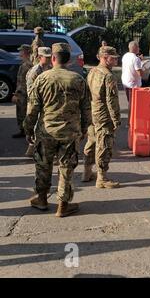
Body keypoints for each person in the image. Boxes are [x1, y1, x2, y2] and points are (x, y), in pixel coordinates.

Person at [23, 43, 91, 218]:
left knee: (43, 166)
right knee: (66, 168)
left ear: (53, 58)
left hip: (46, 131)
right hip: (70, 133)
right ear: (69, 60)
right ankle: (63, 204)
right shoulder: (78, 79)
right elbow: (86, 109)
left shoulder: (42, 79)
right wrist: (84, 129)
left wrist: (28, 128)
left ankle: (42, 199)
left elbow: (33, 108)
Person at [82, 46, 121, 189]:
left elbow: (87, 94)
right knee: (104, 145)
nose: (116, 59)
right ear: (104, 58)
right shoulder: (108, 75)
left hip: (93, 112)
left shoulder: (92, 71)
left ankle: (86, 172)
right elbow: (112, 100)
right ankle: (102, 178)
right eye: (113, 57)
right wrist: (116, 120)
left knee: (92, 142)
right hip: (104, 115)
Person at [23, 47, 52, 157]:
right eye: (46, 57)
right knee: (35, 127)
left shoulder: (49, 68)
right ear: (40, 57)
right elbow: (31, 91)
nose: (49, 59)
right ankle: (34, 150)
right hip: (35, 103)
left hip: (45, 103)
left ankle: (33, 149)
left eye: (50, 57)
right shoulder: (35, 71)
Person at [11, 44, 33, 139]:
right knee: (23, 112)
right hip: (24, 93)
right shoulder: (27, 64)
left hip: (23, 94)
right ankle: (24, 130)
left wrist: (16, 94)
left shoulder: (26, 65)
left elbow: (22, 83)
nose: (19, 53)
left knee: (22, 113)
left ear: (25, 52)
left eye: (21, 51)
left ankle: (25, 131)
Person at [121, 41, 144, 122]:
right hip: (133, 85)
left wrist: (139, 60)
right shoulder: (136, 59)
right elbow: (140, 73)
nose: (139, 48)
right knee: (133, 104)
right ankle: (131, 122)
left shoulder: (125, 56)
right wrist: (142, 65)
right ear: (135, 48)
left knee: (131, 103)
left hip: (126, 82)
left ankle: (132, 121)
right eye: (138, 47)